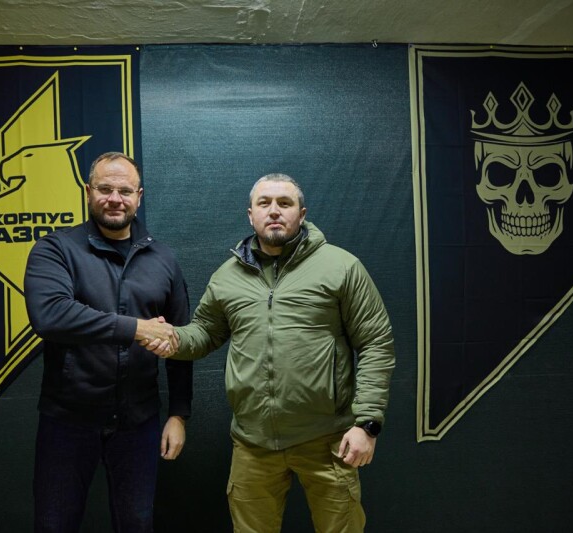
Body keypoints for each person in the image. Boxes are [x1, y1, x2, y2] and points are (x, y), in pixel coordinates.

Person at [149, 173, 394, 533]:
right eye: (264, 203)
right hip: (253, 443)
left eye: (285, 203)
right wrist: (172, 338)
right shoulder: (227, 277)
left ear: (302, 213)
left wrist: (367, 424)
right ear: (251, 215)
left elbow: (376, 343)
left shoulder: (341, 267)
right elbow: (204, 333)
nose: (274, 211)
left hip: (327, 440)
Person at [24, 152, 191, 533]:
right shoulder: (56, 249)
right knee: (53, 525)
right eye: (104, 189)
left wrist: (179, 414)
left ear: (139, 196)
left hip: (139, 422)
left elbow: (180, 341)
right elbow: (50, 316)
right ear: (88, 192)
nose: (115, 198)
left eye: (125, 191)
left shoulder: (163, 258)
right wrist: (136, 328)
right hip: (67, 420)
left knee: (137, 524)